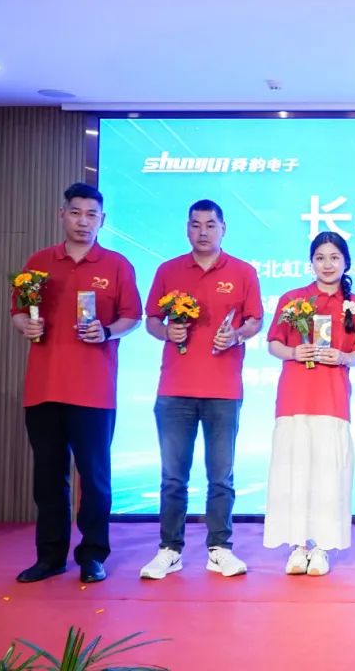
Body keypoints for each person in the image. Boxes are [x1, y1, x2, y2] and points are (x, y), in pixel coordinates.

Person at [12, 182, 142, 584]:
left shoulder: (117, 265)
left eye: (91, 215)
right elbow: (18, 311)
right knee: (48, 479)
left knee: (95, 479)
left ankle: (93, 555)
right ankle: (50, 556)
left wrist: (107, 331)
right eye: (75, 213)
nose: (83, 222)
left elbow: (132, 317)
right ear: (62, 215)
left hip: (93, 391)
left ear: (102, 220)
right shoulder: (39, 262)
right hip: (44, 388)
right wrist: (25, 324)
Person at [138, 199, 263, 579]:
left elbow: (255, 320)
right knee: (173, 477)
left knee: (220, 477)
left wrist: (237, 335)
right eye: (196, 224)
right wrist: (167, 331)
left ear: (224, 228)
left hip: (223, 390)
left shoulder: (243, 272)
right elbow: (151, 320)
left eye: (211, 224)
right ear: (187, 228)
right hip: (174, 389)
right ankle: (169, 549)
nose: (203, 231)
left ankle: (219, 548)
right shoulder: (168, 270)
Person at [263, 232, 355, 576]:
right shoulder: (292, 299)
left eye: (334, 257)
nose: (327, 264)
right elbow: (273, 344)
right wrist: (294, 352)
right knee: (293, 472)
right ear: (311, 262)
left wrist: (343, 357)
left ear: (346, 262)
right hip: (294, 398)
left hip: (332, 399)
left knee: (328, 475)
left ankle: (322, 547)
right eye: (320, 257)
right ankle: (297, 546)